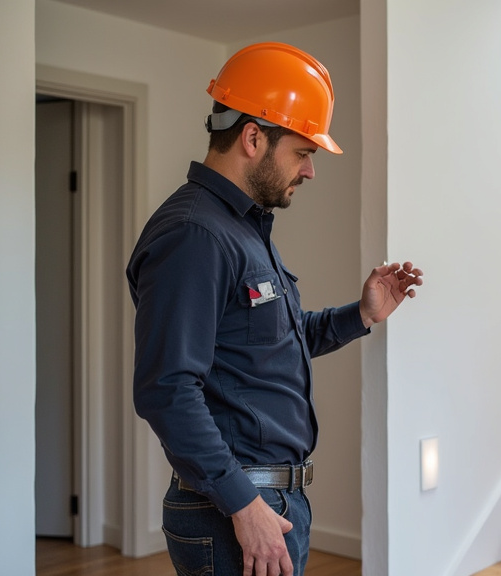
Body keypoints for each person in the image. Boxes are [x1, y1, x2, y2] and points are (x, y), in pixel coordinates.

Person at [126, 42, 422, 576]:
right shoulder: (196, 235)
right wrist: (243, 505)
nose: (309, 171)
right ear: (253, 136)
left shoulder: (241, 228)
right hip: (234, 511)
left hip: (269, 504)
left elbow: (269, 343)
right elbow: (165, 388)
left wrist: (362, 313)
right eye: (303, 152)